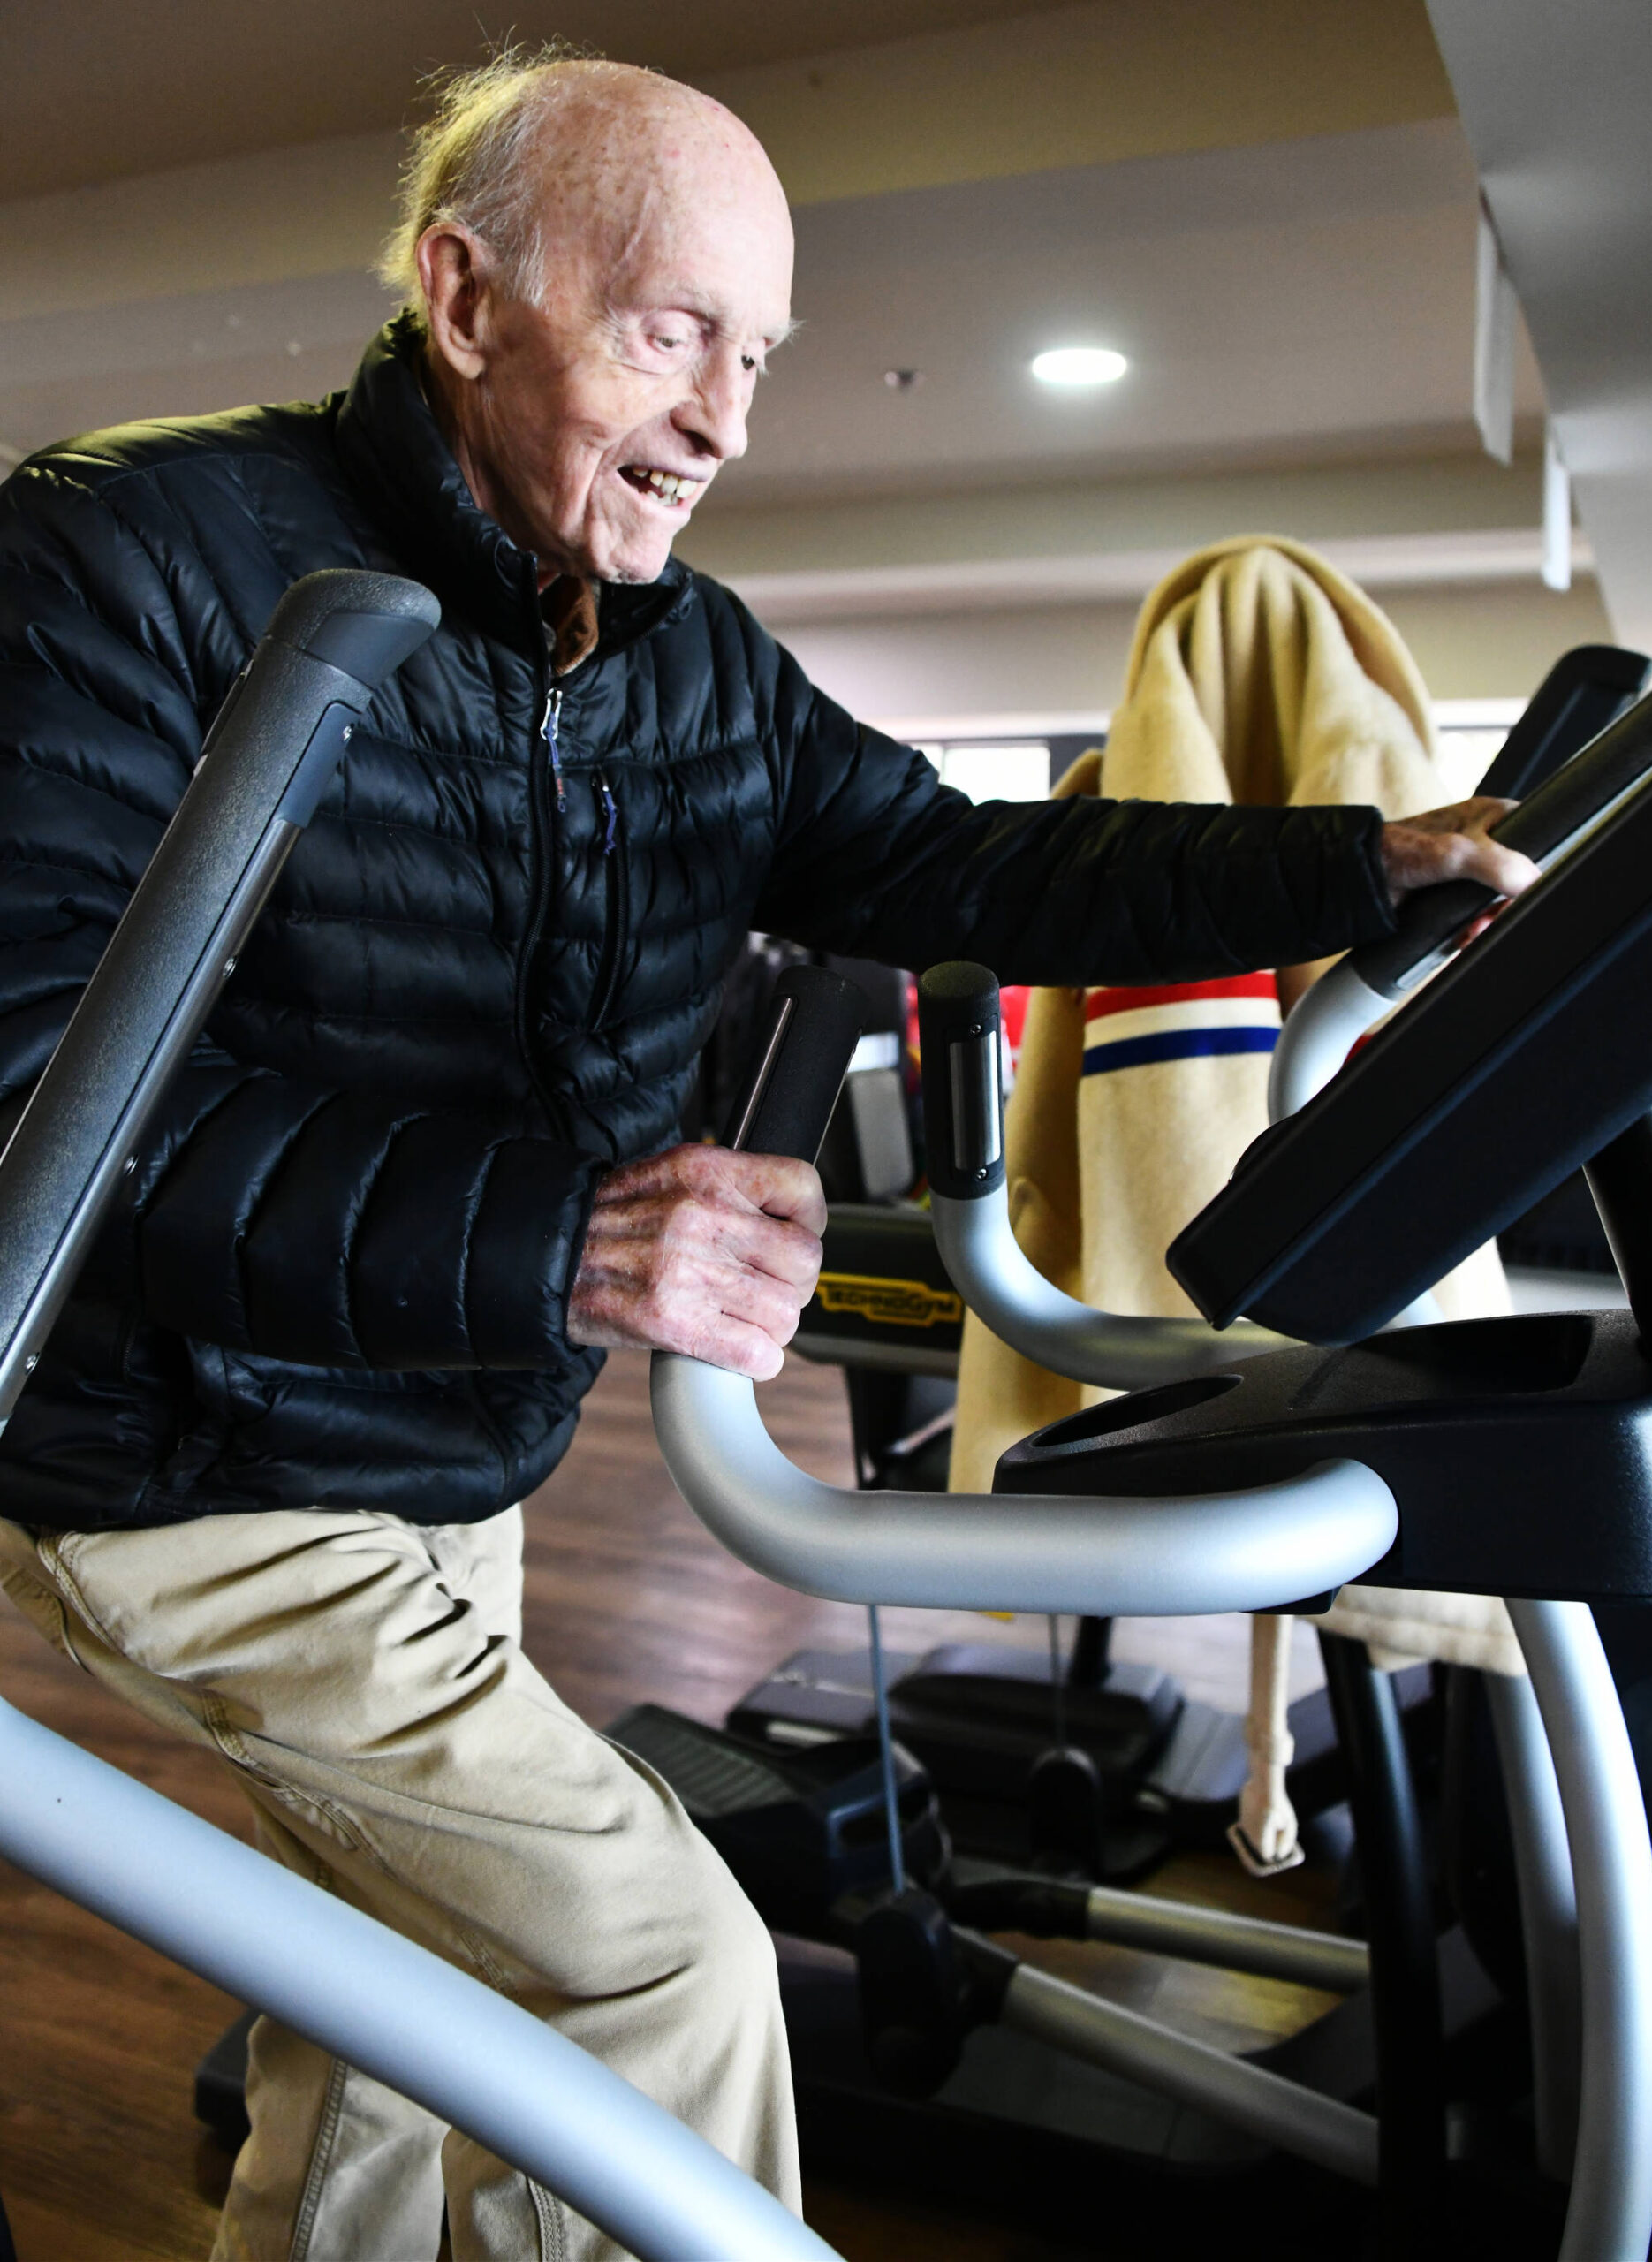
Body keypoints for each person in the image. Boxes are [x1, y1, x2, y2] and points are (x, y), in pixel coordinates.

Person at [0, 52, 1535, 2262]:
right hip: (197, 1467)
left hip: (459, 1449)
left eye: (757, 354)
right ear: (462, 293)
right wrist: (567, 1240)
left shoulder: (691, 660)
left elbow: (973, 859)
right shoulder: (123, 553)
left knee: (401, 1999)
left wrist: (1354, 867)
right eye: (667, 328)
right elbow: (32, 1097)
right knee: (652, 1976)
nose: (725, 411)